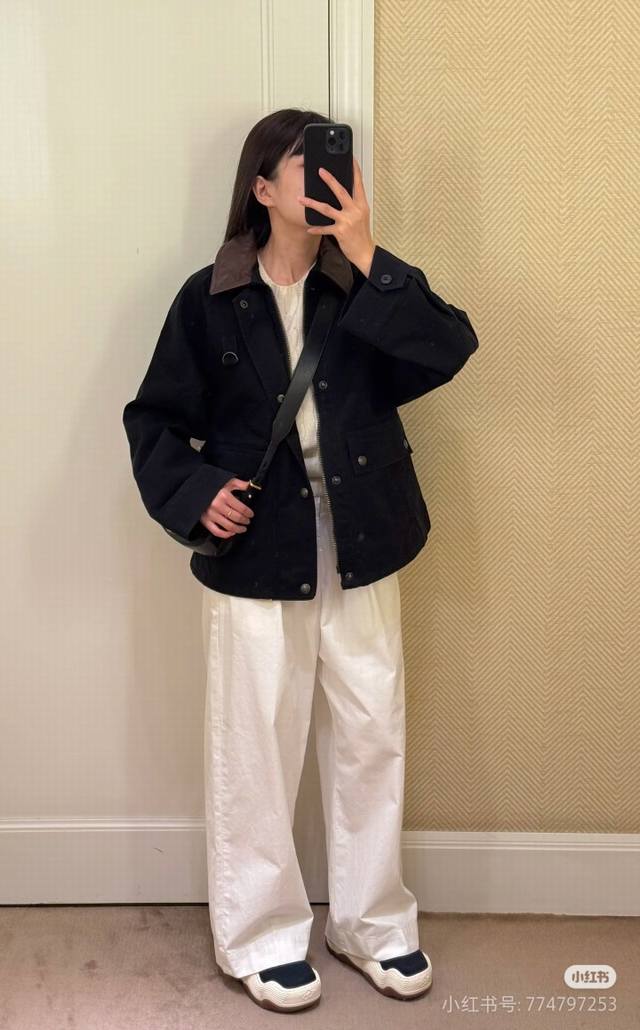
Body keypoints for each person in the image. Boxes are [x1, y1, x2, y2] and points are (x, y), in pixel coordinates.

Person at [123, 108, 478, 1013]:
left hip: (363, 538)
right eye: (305, 167)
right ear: (262, 188)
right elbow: (153, 420)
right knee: (256, 745)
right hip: (258, 548)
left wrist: (367, 252)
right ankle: (260, 935)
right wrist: (197, 490)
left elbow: (448, 348)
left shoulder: (360, 285)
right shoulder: (209, 298)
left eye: (337, 168)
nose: (328, 181)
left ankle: (373, 924)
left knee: (370, 733)